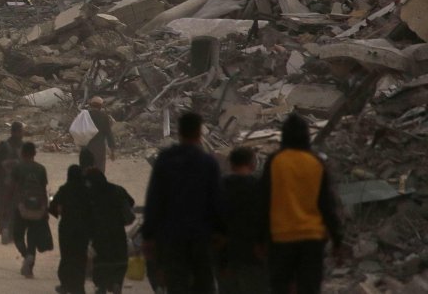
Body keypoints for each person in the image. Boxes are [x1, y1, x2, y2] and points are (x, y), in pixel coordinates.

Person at [141, 111, 223, 294]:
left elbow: (154, 200)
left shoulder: (165, 160)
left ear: (179, 132)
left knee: (176, 285)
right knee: (204, 285)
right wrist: (221, 232)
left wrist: (148, 236)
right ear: (199, 134)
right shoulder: (208, 162)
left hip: (171, 237)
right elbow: (216, 201)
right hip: (200, 237)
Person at [261, 114, 343, 294]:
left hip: (281, 237)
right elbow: (326, 205)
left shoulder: (275, 161)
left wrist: (260, 239)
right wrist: (337, 239)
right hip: (311, 238)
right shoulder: (315, 162)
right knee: (309, 287)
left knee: (280, 287)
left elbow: (264, 202)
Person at [218, 147, 267, 294]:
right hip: (253, 256)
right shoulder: (260, 188)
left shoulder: (217, 188)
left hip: (225, 257)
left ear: (231, 165)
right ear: (253, 165)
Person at [87, 167, 135, 294]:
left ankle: (101, 287)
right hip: (118, 234)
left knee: (100, 266)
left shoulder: (91, 194)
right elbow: (131, 202)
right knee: (119, 263)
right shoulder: (117, 189)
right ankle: (116, 284)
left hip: (99, 237)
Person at [10, 142, 53, 278]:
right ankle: (29, 270)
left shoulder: (18, 168)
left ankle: (26, 255)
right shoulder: (41, 169)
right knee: (32, 238)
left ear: (22, 153)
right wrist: (45, 210)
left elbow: (13, 189)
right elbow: (43, 190)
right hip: (38, 208)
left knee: (18, 235)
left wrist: (8, 206)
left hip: (21, 207)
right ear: (34, 153)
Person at [50, 165, 93, 294]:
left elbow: (52, 207)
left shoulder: (65, 189)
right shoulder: (87, 191)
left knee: (67, 256)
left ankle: (65, 284)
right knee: (80, 257)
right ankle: (79, 286)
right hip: (83, 229)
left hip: (67, 228)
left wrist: (60, 211)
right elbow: (92, 210)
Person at [0, 121, 25, 244]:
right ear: (15, 132)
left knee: (3, 208)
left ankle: (5, 229)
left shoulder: (3, 145)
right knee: (14, 208)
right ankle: (9, 232)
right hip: (15, 185)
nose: (22, 134)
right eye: (21, 131)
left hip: (4, 184)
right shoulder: (22, 147)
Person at [87, 97, 116, 172]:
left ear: (90, 105)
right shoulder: (104, 117)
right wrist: (112, 150)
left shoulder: (86, 116)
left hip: (87, 147)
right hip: (99, 148)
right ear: (100, 106)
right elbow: (108, 134)